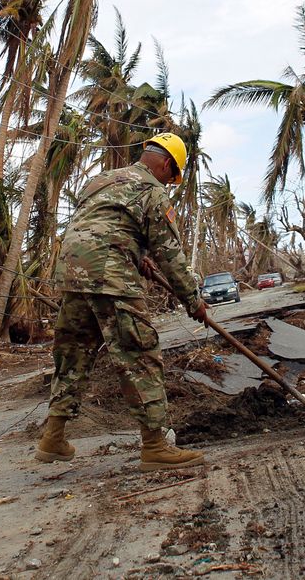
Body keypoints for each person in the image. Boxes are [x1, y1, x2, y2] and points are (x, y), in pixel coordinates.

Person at [34, 132, 208, 471]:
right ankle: (155, 446)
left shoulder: (101, 181)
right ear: (167, 164)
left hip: (71, 273)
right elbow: (170, 254)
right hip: (110, 275)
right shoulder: (151, 192)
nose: (169, 184)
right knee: (140, 355)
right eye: (171, 177)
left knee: (73, 355)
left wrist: (136, 253)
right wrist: (193, 300)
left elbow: (103, 225)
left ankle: (52, 438)